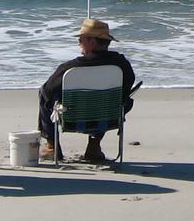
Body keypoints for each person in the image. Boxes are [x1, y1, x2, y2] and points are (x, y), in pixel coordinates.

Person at [37, 18, 136, 164]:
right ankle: (94, 147)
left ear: (92, 42)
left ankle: (52, 146)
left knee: (44, 94)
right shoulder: (121, 65)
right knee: (110, 99)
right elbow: (128, 85)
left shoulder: (70, 69)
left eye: (81, 39)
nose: (79, 43)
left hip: (73, 117)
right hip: (107, 116)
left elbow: (48, 91)